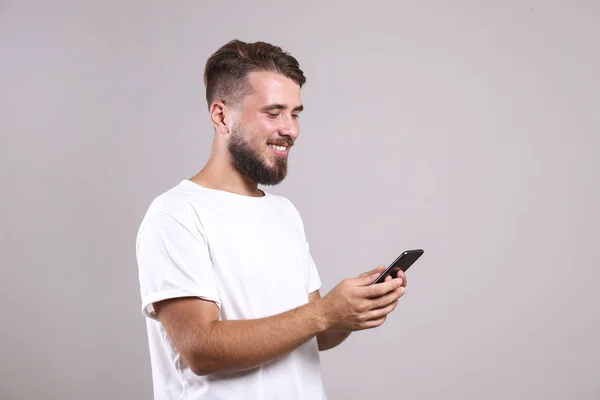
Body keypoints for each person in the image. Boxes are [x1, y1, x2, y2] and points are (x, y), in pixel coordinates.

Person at [135, 39, 407, 400]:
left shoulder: (283, 213)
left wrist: (351, 310)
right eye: (273, 112)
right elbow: (201, 349)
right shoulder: (176, 214)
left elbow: (316, 334)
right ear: (221, 116)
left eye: (295, 113)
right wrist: (325, 313)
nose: (291, 129)